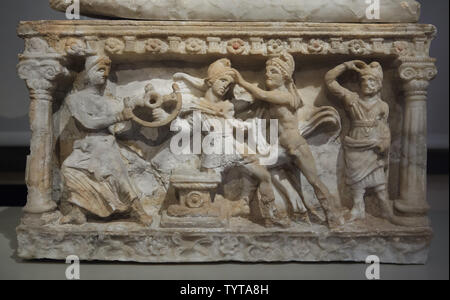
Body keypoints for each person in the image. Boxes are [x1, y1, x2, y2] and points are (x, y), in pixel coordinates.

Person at [174, 58, 289, 227]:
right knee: (209, 191)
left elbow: (253, 99)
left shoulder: (229, 105)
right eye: (222, 81)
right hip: (213, 152)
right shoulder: (197, 107)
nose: (225, 86)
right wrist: (171, 118)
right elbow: (184, 128)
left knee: (264, 175)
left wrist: (241, 82)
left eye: (228, 84)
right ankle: (208, 214)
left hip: (233, 146)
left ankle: (269, 214)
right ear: (210, 81)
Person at [233, 52, 343, 228]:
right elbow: (263, 109)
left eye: (274, 71)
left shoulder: (285, 95)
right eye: (267, 72)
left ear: (285, 77)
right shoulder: (273, 99)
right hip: (281, 148)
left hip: (296, 146)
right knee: (254, 167)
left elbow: (262, 95)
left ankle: (332, 215)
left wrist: (241, 81)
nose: (268, 74)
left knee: (314, 181)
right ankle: (267, 211)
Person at [60, 55, 153, 225]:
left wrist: (132, 117)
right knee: (68, 168)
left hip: (105, 145)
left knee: (116, 173)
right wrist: (118, 116)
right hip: (87, 146)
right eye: (100, 70)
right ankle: (78, 211)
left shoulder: (109, 102)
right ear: (88, 72)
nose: (104, 74)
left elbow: (118, 131)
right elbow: (87, 122)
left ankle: (138, 211)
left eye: (107, 71)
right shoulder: (75, 99)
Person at [325, 60, 396, 223]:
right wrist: (345, 66)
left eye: (372, 81)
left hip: (374, 145)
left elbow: (385, 128)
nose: (367, 83)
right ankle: (358, 209)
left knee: (379, 180)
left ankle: (385, 208)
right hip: (355, 144)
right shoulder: (352, 98)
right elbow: (329, 80)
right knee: (356, 179)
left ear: (378, 85)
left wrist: (385, 143)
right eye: (363, 80)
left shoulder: (383, 105)